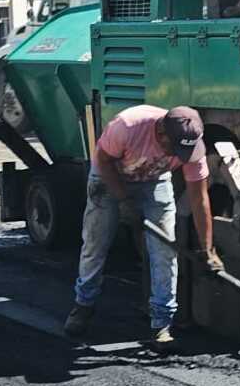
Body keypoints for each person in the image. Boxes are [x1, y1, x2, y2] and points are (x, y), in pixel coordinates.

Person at [63, 105, 223, 351]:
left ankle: (161, 324)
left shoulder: (191, 149)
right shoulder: (127, 126)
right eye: (176, 149)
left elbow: (199, 199)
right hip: (108, 176)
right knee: (96, 244)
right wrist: (124, 201)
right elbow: (103, 159)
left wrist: (208, 249)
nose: (181, 156)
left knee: (164, 250)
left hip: (154, 181)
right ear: (160, 133)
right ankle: (83, 305)